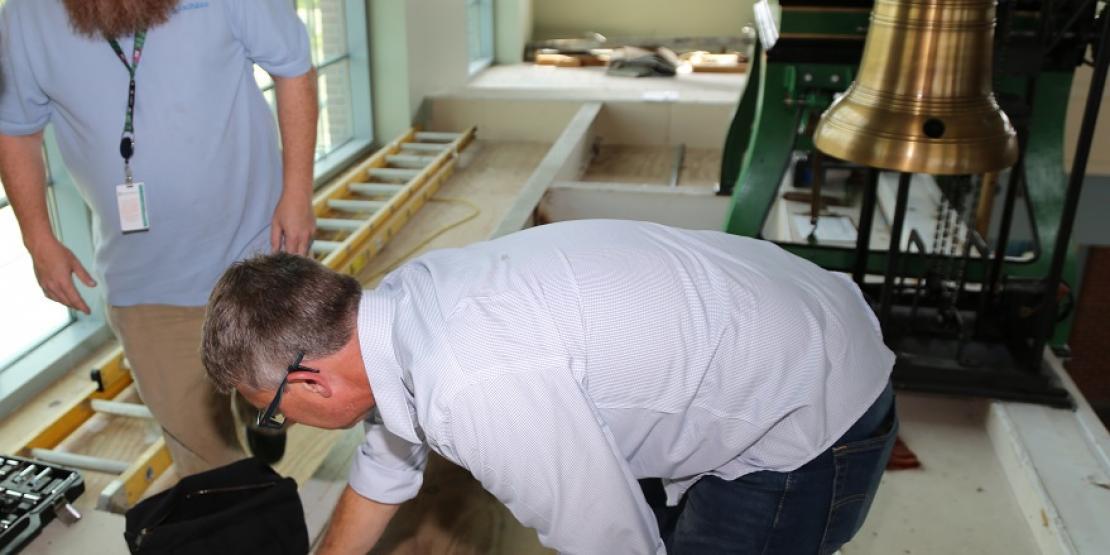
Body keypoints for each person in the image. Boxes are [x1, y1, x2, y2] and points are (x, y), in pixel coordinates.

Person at [202, 219, 898, 554]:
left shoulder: (471, 386)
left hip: (806, 405)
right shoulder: (397, 309)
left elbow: (612, 542)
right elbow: (384, 469)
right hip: (781, 322)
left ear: (310, 378)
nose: (283, 424)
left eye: (274, 413)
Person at [0, 0, 317, 475]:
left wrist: (297, 193)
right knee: (208, 469)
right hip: (145, 285)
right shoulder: (25, 16)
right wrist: (38, 238)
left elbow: (294, 69)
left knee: (279, 398)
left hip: (260, 253)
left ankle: (266, 419)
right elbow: (16, 130)